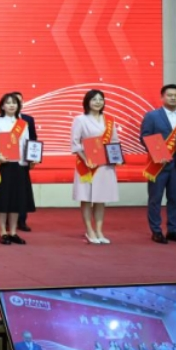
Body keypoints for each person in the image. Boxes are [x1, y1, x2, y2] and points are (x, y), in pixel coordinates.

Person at [139, 84, 176, 244]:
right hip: (158, 165)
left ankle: (173, 230)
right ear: (162, 97)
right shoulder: (152, 116)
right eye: (170, 95)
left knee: (175, 199)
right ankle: (156, 231)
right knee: (155, 200)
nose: (173, 98)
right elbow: (144, 137)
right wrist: (157, 153)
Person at [0, 93, 36, 245]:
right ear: (2, 106)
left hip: (20, 165)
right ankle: (3, 232)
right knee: (3, 200)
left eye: (14, 103)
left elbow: (27, 143)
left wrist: (31, 158)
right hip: (4, 165)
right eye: (8, 103)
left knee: (17, 200)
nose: (12, 105)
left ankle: (13, 232)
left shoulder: (23, 123)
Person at [71, 89, 120, 245]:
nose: (98, 102)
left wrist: (116, 157)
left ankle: (99, 230)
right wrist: (86, 159)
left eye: (100, 99)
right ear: (87, 102)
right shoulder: (80, 119)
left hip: (105, 165)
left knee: (100, 198)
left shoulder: (109, 120)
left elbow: (114, 141)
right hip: (87, 165)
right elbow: (75, 143)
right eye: (94, 99)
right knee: (86, 198)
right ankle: (89, 230)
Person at [11, 91, 37, 232]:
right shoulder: (0, 120)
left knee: (23, 191)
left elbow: (33, 139)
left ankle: (22, 220)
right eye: (13, 101)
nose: (16, 104)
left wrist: (33, 158)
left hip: (23, 161)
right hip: (8, 161)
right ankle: (9, 219)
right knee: (9, 191)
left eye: (19, 101)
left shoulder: (28, 119)